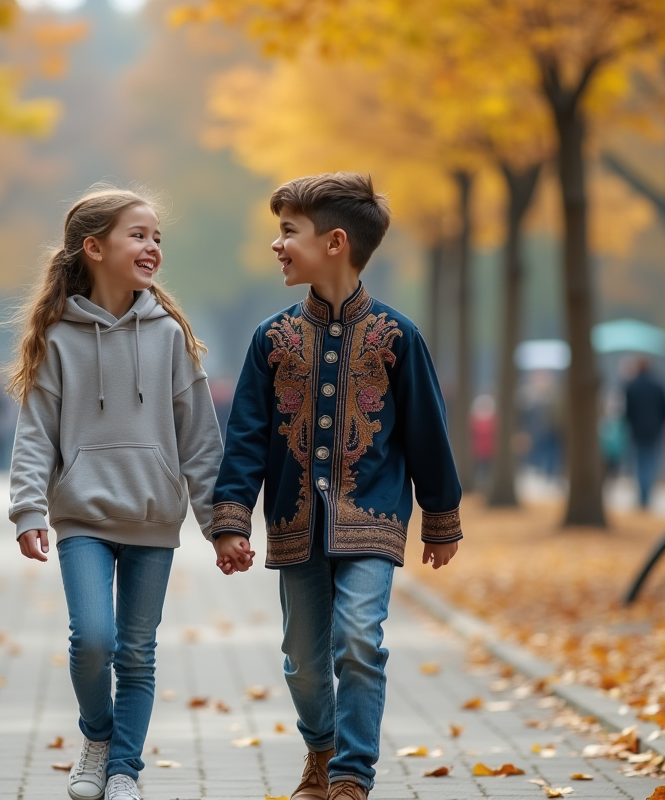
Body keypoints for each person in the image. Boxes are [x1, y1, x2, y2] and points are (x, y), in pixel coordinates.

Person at [210, 173, 462, 800]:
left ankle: (351, 774)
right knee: (301, 659)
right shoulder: (271, 340)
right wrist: (232, 519)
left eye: (288, 231)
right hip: (295, 524)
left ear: (335, 242)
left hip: (372, 520)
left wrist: (440, 515)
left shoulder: (397, 337)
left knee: (357, 638)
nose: (277, 244)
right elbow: (244, 435)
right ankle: (319, 749)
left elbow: (428, 430)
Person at [8, 186, 223, 800]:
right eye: (139, 234)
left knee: (137, 653)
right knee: (92, 640)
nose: (152, 246)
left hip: (153, 518)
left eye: (157, 237)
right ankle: (97, 738)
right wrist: (28, 508)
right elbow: (34, 434)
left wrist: (219, 523)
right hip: (82, 518)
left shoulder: (170, 336)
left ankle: (124, 770)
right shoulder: (58, 338)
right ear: (94, 248)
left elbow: (200, 440)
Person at [623, 357, 665, 510]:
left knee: (639, 463)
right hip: (654, 431)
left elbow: (627, 412)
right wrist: (659, 424)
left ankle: (642, 496)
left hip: (637, 431)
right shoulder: (658, 385)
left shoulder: (632, 386)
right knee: (651, 463)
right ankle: (647, 495)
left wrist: (631, 424)